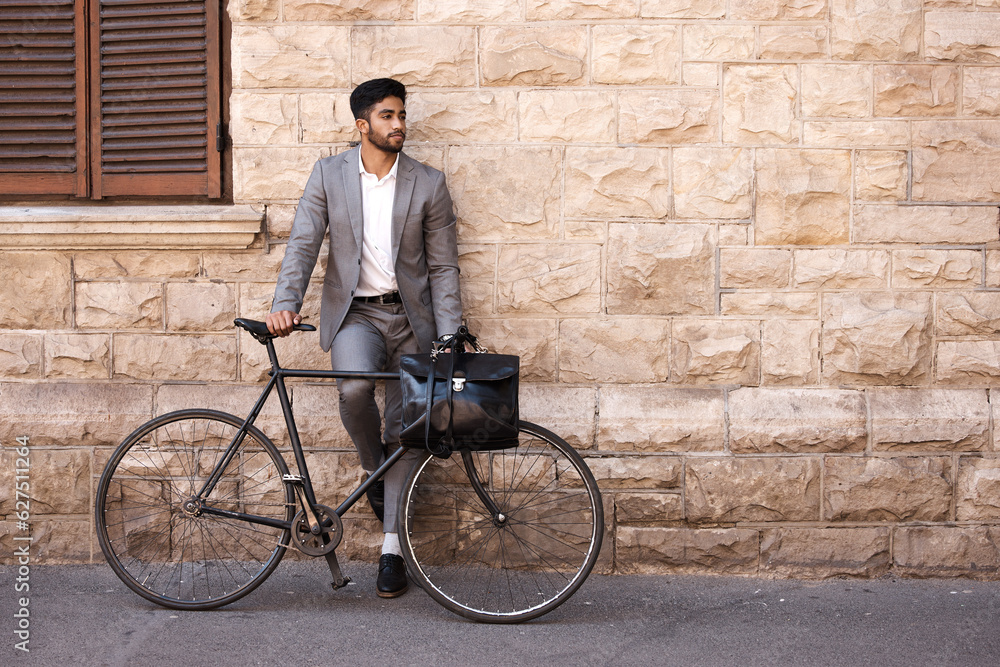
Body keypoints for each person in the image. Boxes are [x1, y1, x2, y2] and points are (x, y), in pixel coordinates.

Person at [266, 78, 463, 598]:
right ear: (362, 125)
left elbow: (443, 268)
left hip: (413, 323)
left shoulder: (429, 183)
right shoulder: (330, 174)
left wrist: (448, 335)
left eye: (402, 115)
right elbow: (304, 241)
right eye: (387, 116)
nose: (399, 124)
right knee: (353, 389)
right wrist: (285, 303)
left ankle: (392, 550)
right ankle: (375, 470)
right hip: (356, 315)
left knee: (405, 430)